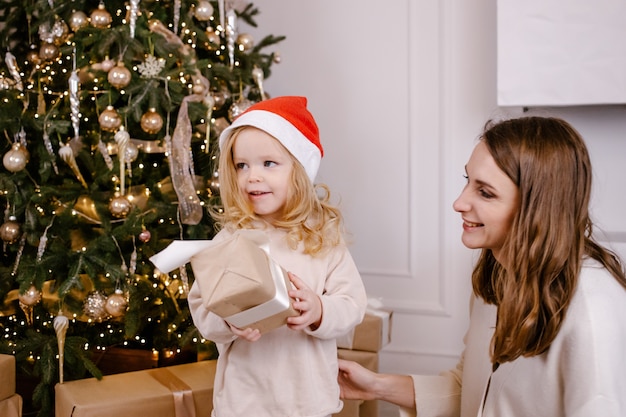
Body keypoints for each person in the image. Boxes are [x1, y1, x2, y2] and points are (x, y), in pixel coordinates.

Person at [337, 116, 626, 417]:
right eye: (468, 182)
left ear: (537, 207)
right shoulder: (497, 277)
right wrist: (374, 386)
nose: (459, 203)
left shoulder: (594, 313)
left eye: (485, 192)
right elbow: (473, 391)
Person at [188, 95, 368, 417]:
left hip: (308, 402)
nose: (252, 176)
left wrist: (319, 309)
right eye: (242, 165)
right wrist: (229, 320)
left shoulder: (322, 239)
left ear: (298, 170)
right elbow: (202, 308)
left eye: (268, 163)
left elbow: (352, 304)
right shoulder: (230, 239)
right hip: (243, 403)